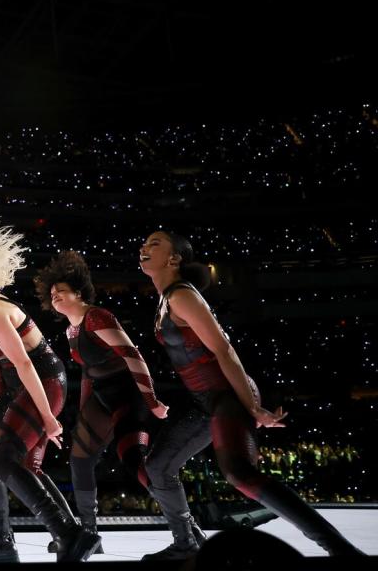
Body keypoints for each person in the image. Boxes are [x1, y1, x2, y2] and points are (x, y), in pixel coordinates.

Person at [139, 231, 362, 560]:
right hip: (205, 402)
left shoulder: (182, 296)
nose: (144, 248)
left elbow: (224, 351)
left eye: (154, 244)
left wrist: (252, 406)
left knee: (238, 473)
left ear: (174, 259)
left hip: (228, 394)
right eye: (144, 243)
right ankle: (186, 544)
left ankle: (340, 549)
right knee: (158, 466)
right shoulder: (165, 297)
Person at [0, 219, 100, 563]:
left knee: (7, 460)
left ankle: (70, 535)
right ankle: (3, 542)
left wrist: (47, 417)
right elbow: (3, 369)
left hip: (41, 383)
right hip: (17, 388)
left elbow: (26, 365)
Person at [34, 250, 168, 554]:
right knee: (80, 460)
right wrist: (84, 412)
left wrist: (152, 400)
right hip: (101, 394)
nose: (55, 296)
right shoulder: (70, 329)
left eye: (61, 291)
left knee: (134, 462)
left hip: (127, 393)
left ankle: (188, 529)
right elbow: (87, 374)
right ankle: (89, 535)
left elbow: (132, 355)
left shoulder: (97, 316)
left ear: (78, 293)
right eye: (52, 293)